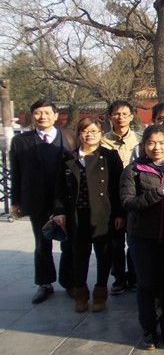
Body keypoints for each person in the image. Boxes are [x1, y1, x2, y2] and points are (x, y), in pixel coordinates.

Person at [120, 125, 164, 350]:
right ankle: (148, 329)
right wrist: (156, 193)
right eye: (151, 143)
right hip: (142, 237)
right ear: (143, 145)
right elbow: (128, 202)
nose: (156, 147)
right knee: (146, 284)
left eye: (161, 143)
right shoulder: (133, 170)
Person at [53, 118, 125, 312]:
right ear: (79, 134)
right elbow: (59, 188)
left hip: (103, 214)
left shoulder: (109, 156)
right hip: (77, 215)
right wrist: (59, 211)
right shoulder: (68, 158)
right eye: (85, 131)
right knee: (79, 255)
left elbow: (118, 187)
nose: (89, 135)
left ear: (101, 134)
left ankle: (100, 293)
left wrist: (120, 214)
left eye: (94, 131)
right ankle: (80, 293)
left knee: (104, 254)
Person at [9, 99, 75, 304]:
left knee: (69, 243)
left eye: (47, 113)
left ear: (56, 116)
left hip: (66, 199)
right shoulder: (21, 141)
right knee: (42, 243)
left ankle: (69, 281)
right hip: (37, 199)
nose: (42, 116)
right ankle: (45, 283)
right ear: (33, 116)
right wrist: (15, 200)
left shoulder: (70, 137)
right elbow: (16, 173)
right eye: (38, 113)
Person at [101, 99, 140, 295]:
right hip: (111, 195)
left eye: (125, 114)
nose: (120, 117)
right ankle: (118, 277)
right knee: (115, 242)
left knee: (134, 239)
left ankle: (134, 276)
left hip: (134, 194)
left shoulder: (140, 140)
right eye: (116, 114)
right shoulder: (102, 141)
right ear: (110, 117)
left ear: (131, 117)